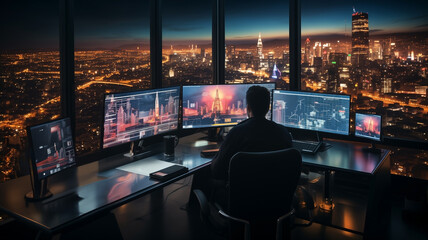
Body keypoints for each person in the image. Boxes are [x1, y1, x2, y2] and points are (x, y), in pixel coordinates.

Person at [211, 85, 293, 184]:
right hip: (276, 196)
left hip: (241, 197)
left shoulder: (236, 133)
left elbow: (217, 171)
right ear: (268, 108)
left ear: (248, 108)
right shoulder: (283, 132)